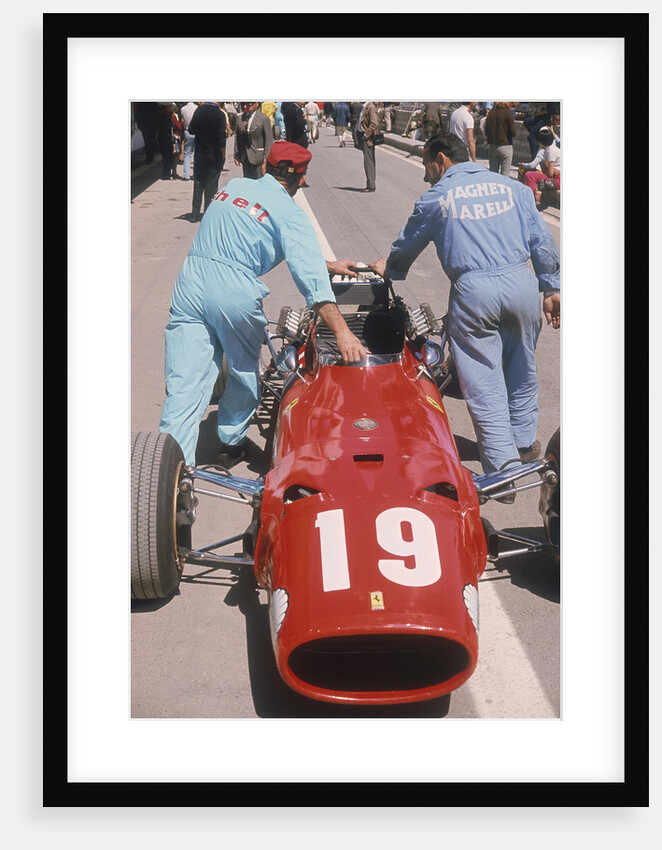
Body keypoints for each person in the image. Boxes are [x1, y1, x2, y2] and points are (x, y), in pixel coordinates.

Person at [159, 140, 368, 468]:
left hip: (190, 283)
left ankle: (168, 471)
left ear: (266, 168)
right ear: (301, 179)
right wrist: (343, 332)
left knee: (184, 384)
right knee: (243, 371)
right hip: (233, 292)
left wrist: (326, 263)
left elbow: (246, 234)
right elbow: (314, 287)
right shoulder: (290, 214)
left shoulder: (234, 186)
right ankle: (231, 441)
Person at [368, 132, 560, 476]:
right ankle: (523, 444)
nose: (426, 175)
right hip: (522, 286)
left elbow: (407, 245)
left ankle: (503, 473)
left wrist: (391, 267)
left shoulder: (437, 197)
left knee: (484, 382)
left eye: (428, 165)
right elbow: (542, 241)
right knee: (522, 369)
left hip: (475, 295)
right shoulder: (514, 189)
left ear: (441, 159)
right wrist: (551, 287)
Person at [188, 101, 227, 222]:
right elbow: (221, 138)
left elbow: (191, 130)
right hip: (214, 156)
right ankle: (208, 214)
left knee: (198, 184)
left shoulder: (199, 111)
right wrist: (223, 155)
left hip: (200, 154)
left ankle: (194, 214)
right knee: (211, 186)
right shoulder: (219, 114)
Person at [518, 127, 561, 204]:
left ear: (539, 141)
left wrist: (552, 170)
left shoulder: (551, 151)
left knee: (529, 175)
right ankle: (532, 196)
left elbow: (550, 174)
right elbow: (546, 170)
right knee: (529, 173)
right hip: (554, 176)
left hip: (557, 179)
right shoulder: (547, 150)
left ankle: (530, 200)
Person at [233, 101, 274, 179]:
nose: (249, 104)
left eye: (252, 102)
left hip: (258, 159)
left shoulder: (263, 119)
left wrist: (265, 160)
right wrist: (236, 154)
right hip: (245, 158)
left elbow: (268, 141)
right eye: (248, 102)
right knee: (248, 184)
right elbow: (237, 138)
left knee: (259, 184)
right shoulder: (240, 118)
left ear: (257, 103)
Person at [484, 101, 517, 176]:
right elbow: (513, 133)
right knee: (505, 175)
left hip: (492, 146)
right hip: (505, 146)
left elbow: (486, 132)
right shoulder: (508, 114)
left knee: (493, 174)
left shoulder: (491, 114)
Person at [358, 101, 380, 192]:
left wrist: (366, 135)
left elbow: (374, 123)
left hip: (368, 139)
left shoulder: (370, 107)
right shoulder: (365, 106)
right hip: (364, 137)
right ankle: (370, 184)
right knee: (368, 161)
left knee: (369, 162)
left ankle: (371, 186)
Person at [180, 101, 198, 181]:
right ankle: (195, 174)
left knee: (187, 154)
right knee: (196, 154)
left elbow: (182, 120)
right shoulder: (197, 108)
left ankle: (186, 175)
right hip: (197, 132)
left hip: (187, 131)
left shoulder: (183, 109)